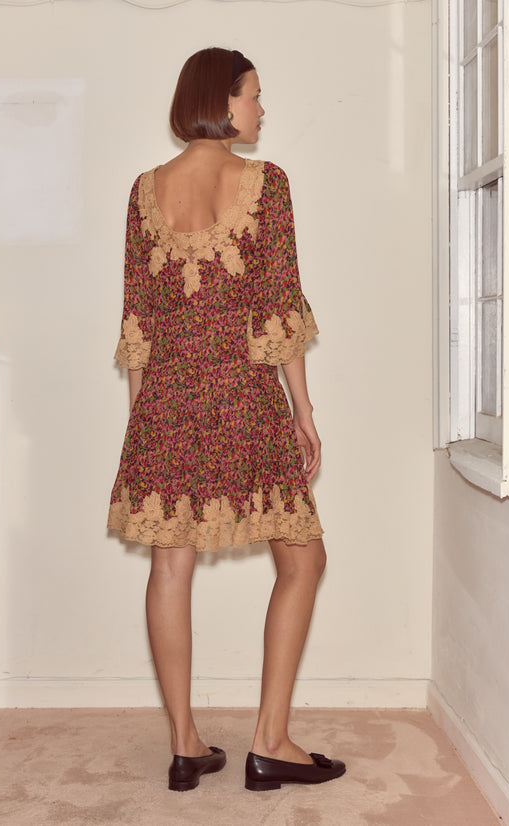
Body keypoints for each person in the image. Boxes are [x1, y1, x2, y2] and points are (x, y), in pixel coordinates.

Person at [108, 47, 345, 792]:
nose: (261, 110)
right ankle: (271, 740)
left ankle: (185, 744)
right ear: (223, 99)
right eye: (254, 96)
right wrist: (304, 411)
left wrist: (140, 422)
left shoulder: (144, 190)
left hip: (166, 404)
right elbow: (278, 310)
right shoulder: (265, 185)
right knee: (303, 559)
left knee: (169, 566)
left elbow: (138, 323)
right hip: (243, 398)